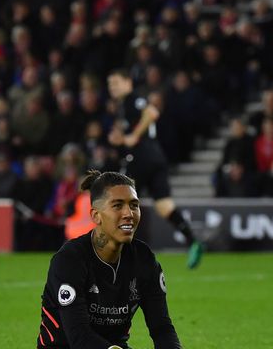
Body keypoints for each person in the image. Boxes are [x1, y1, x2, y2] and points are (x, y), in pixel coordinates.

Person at [36, 170, 181, 349]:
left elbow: (161, 328)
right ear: (96, 215)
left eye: (134, 205)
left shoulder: (144, 259)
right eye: (118, 206)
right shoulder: (70, 259)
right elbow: (79, 336)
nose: (129, 213)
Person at [107, 70, 204, 269]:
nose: (113, 88)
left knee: (121, 201)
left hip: (141, 157)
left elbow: (152, 113)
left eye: (116, 83)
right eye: (110, 85)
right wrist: (121, 137)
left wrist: (132, 136)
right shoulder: (125, 106)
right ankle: (192, 240)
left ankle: (122, 253)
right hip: (156, 156)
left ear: (128, 83)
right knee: (164, 205)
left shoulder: (132, 99)